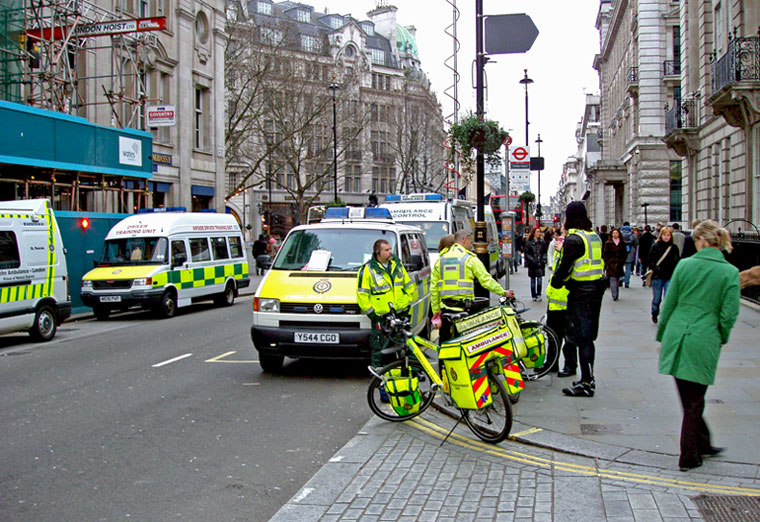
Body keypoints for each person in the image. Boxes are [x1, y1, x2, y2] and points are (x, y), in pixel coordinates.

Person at [657, 220, 740, 472]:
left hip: (677, 337)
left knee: (689, 398)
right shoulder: (729, 273)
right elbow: (728, 315)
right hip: (704, 339)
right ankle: (689, 456)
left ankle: (703, 443)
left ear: (702, 241)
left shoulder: (685, 265)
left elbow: (669, 304)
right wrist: (721, 337)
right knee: (694, 401)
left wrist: (662, 335)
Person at [550, 202, 605, 396]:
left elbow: (564, 268)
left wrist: (557, 282)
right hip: (596, 291)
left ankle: (586, 382)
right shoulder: (594, 237)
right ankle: (587, 378)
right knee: (589, 336)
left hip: (580, 292)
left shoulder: (574, 239)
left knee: (581, 337)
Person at [430, 229, 514, 344]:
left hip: (446, 310)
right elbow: (486, 280)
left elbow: (434, 288)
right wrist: (503, 292)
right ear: (464, 240)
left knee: (444, 345)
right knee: (469, 345)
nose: (472, 245)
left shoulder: (441, 260)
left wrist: (436, 311)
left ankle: (443, 362)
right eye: (470, 242)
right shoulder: (469, 258)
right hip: (465, 310)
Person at [357, 239, 415, 369]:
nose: (390, 252)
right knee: (379, 349)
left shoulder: (397, 266)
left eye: (390, 249)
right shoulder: (368, 270)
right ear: (378, 252)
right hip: (382, 317)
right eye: (386, 250)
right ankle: (379, 379)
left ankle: (409, 378)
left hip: (400, 314)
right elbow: (362, 295)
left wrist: (406, 303)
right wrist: (372, 314)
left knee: (407, 348)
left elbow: (409, 286)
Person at [542, 227, 574, 375]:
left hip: (566, 299)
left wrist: (563, 250)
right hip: (555, 298)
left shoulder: (571, 246)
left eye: (563, 230)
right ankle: (551, 363)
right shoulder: (560, 246)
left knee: (568, 335)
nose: (560, 232)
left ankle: (570, 366)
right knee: (552, 334)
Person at [647, 226, 680, 324]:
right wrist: (654, 267)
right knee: (657, 298)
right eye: (664, 235)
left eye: (668, 235)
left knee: (668, 298)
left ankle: (666, 316)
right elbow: (650, 259)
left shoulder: (674, 248)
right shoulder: (656, 246)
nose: (666, 237)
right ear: (661, 236)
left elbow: (677, 260)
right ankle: (654, 313)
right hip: (658, 276)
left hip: (669, 276)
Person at [603, 228, 627, 301]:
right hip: (611, 263)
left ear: (619, 234)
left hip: (619, 263)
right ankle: (614, 294)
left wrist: (622, 261)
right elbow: (605, 254)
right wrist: (607, 262)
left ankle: (616, 292)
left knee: (617, 279)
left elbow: (624, 253)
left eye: (616, 233)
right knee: (612, 279)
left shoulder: (622, 243)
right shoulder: (608, 243)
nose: (615, 234)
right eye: (614, 233)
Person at [524, 227, 547, 301]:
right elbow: (527, 253)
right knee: (533, 280)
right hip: (532, 264)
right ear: (534, 233)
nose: (539, 233)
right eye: (537, 231)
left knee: (540, 280)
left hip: (540, 263)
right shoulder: (529, 243)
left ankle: (539, 294)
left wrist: (544, 259)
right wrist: (532, 260)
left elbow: (544, 252)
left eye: (539, 232)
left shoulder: (542, 242)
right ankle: (534, 295)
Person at [619, 221, 638, 288]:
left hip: (621, 252)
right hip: (630, 252)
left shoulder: (620, 234)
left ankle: (620, 279)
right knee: (628, 268)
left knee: (620, 267)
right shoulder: (632, 234)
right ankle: (627, 282)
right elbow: (636, 243)